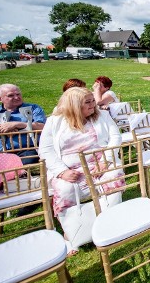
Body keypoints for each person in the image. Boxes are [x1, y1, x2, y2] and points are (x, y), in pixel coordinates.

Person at [38, 87, 124, 256]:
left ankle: (110, 224)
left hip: (100, 163)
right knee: (65, 190)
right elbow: (45, 150)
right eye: (88, 102)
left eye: (93, 100)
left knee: (114, 178)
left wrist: (104, 161)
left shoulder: (102, 116)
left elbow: (115, 137)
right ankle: (73, 233)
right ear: (75, 106)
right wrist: (62, 171)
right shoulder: (55, 122)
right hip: (70, 169)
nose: (94, 105)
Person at [0, 84, 46, 163]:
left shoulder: (33, 108)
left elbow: (43, 127)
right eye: (11, 95)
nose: (16, 97)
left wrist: (17, 124)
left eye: (18, 94)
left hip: (27, 151)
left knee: (22, 162)